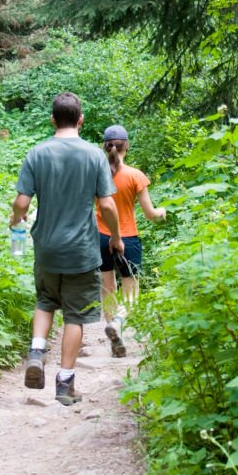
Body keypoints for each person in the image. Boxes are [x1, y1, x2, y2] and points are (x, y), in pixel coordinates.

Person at [10, 93, 124, 405]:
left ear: (52, 119)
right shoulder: (93, 155)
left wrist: (16, 221)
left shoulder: (37, 153)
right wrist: (114, 236)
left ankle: (36, 352)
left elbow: (21, 203)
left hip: (46, 247)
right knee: (75, 316)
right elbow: (107, 205)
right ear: (81, 119)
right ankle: (64, 384)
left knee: (45, 301)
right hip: (82, 250)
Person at [96, 124, 167, 357]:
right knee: (131, 292)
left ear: (105, 146)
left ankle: (114, 340)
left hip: (99, 237)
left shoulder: (95, 173)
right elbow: (150, 214)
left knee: (107, 288)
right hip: (128, 238)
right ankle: (118, 323)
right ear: (126, 145)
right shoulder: (136, 176)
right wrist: (162, 212)